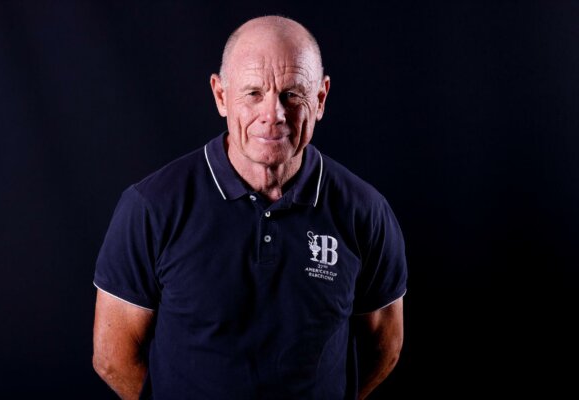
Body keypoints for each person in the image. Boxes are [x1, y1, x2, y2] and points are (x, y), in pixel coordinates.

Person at [92, 15, 408, 400]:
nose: (273, 115)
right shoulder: (152, 207)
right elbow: (113, 358)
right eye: (254, 93)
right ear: (221, 96)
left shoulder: (365, 211)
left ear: (320, 98)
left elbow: (384, 348)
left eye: (292, 94)